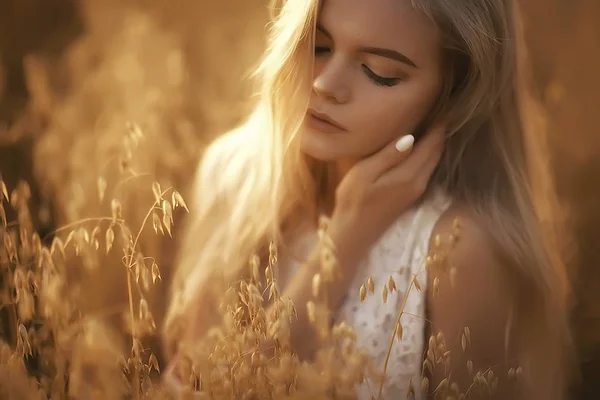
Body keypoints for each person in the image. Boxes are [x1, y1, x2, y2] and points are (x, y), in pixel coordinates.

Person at [163, 0, 572, 398]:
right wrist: (344, 240)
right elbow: (205, 388)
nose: (325, 84)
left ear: (453, 94)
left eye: (379, 73)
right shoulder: (233, 173)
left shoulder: (457, 250)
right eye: (318, 46)